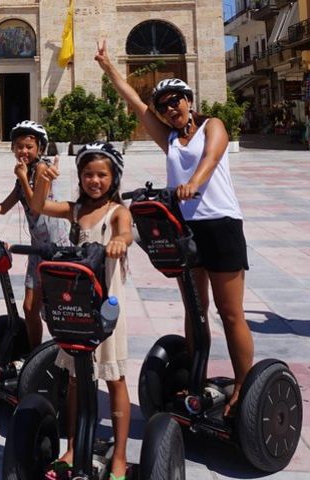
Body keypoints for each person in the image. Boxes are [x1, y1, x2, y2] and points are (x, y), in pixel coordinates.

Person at [95, 39, 252, 418]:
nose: (170, 109)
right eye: (164, 107)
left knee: (230, 313)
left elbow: (212, 158)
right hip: (186, 230)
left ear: (188, 100)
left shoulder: (212, 125)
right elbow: (134, 101)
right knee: (195, 309)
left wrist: (194, 182)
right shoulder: (168, 138)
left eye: (175, 101)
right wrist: (107, 65)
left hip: (222, 225)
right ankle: (195, 378)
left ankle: (245, 386)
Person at [30, 142, 133, 480]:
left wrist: (119, 241)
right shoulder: (75, 211)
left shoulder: (117, 211)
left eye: (102, 174)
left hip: (106, 309)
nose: (94, 180)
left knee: (114, 378)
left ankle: (119, 455)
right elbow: (38, 205)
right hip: (77, 307)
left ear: (113, 178)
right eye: (88, 174)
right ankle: (73, 446)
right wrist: (42, 178)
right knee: (75, 379)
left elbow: (125, 232)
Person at [0, 120, 69, 351]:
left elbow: (36, 205)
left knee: (58, 308)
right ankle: (33, 354)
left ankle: (68, 353)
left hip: (56, 248)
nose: (24, 151)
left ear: (40, 148)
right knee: (30, 308)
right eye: (19, 146)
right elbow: (3, 207)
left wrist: (21, 178)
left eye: (29, 146)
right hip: (38, 248)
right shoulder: (24, 173)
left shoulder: (41, 170)